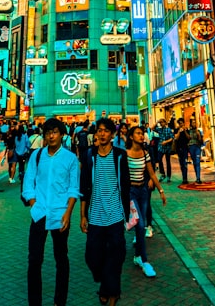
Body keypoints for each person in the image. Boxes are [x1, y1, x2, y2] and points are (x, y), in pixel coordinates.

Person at [22, 118, 79, 306]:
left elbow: (73, 188)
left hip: (60, 215)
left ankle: (59, 301)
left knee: (61, 259)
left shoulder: (70, 158)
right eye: (47, 132)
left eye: (54, 132)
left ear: (62, 134)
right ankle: (34, 302)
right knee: (34, 260)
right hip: (39, 214)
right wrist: (33, 203)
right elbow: (28, 182)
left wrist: (68, 214)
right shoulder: (37, 156)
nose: (51, 135)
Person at [79, 118, 132, 306]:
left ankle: (112, 292)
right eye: (99, 131)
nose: (102, 134)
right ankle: (105, 284)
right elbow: (84, 186)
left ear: (112, 134)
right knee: (92, 256)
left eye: (106, 131)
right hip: (95, 216)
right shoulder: (89, 155)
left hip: (116, 214)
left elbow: (126, 185)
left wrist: (128, 210)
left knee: (116, 253)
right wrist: (82, 215)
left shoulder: (120, 155)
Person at [125, 125, 166, 277]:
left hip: (143, 191)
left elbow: (152, 174)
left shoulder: (145, 153)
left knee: (139, 225)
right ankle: (144, 260)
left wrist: (161, 191)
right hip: (130, 193)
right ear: (131, 137)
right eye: (138, 133)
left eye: (142, 134)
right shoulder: (125, 154)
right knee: (141, 224)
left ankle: (137, 256)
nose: (141, 136)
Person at [186, 119, 205, 185]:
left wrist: (199, 135)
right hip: (191, 147)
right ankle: (197, 176)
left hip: (197, 147)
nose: (194, 124)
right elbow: (187, 139)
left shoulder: (199, 131)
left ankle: (198, 178)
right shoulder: (188, 131)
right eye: (193, 123)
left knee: (197, 161)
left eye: (195, 123)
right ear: (191, 124)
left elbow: (201, 140)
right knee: (194, 162)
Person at [174, 119, 190, 184]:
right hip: (179, 149)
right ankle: (184, 177)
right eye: (179, 123)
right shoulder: (176, 130)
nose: (181, 124)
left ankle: (185, 178)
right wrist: (179, 131)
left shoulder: (186, 130)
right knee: (181, 164)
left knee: (185, 163)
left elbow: (189, 138)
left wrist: (185, 131)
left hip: (185, 148)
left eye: (182, 123)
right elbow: (176, 138)